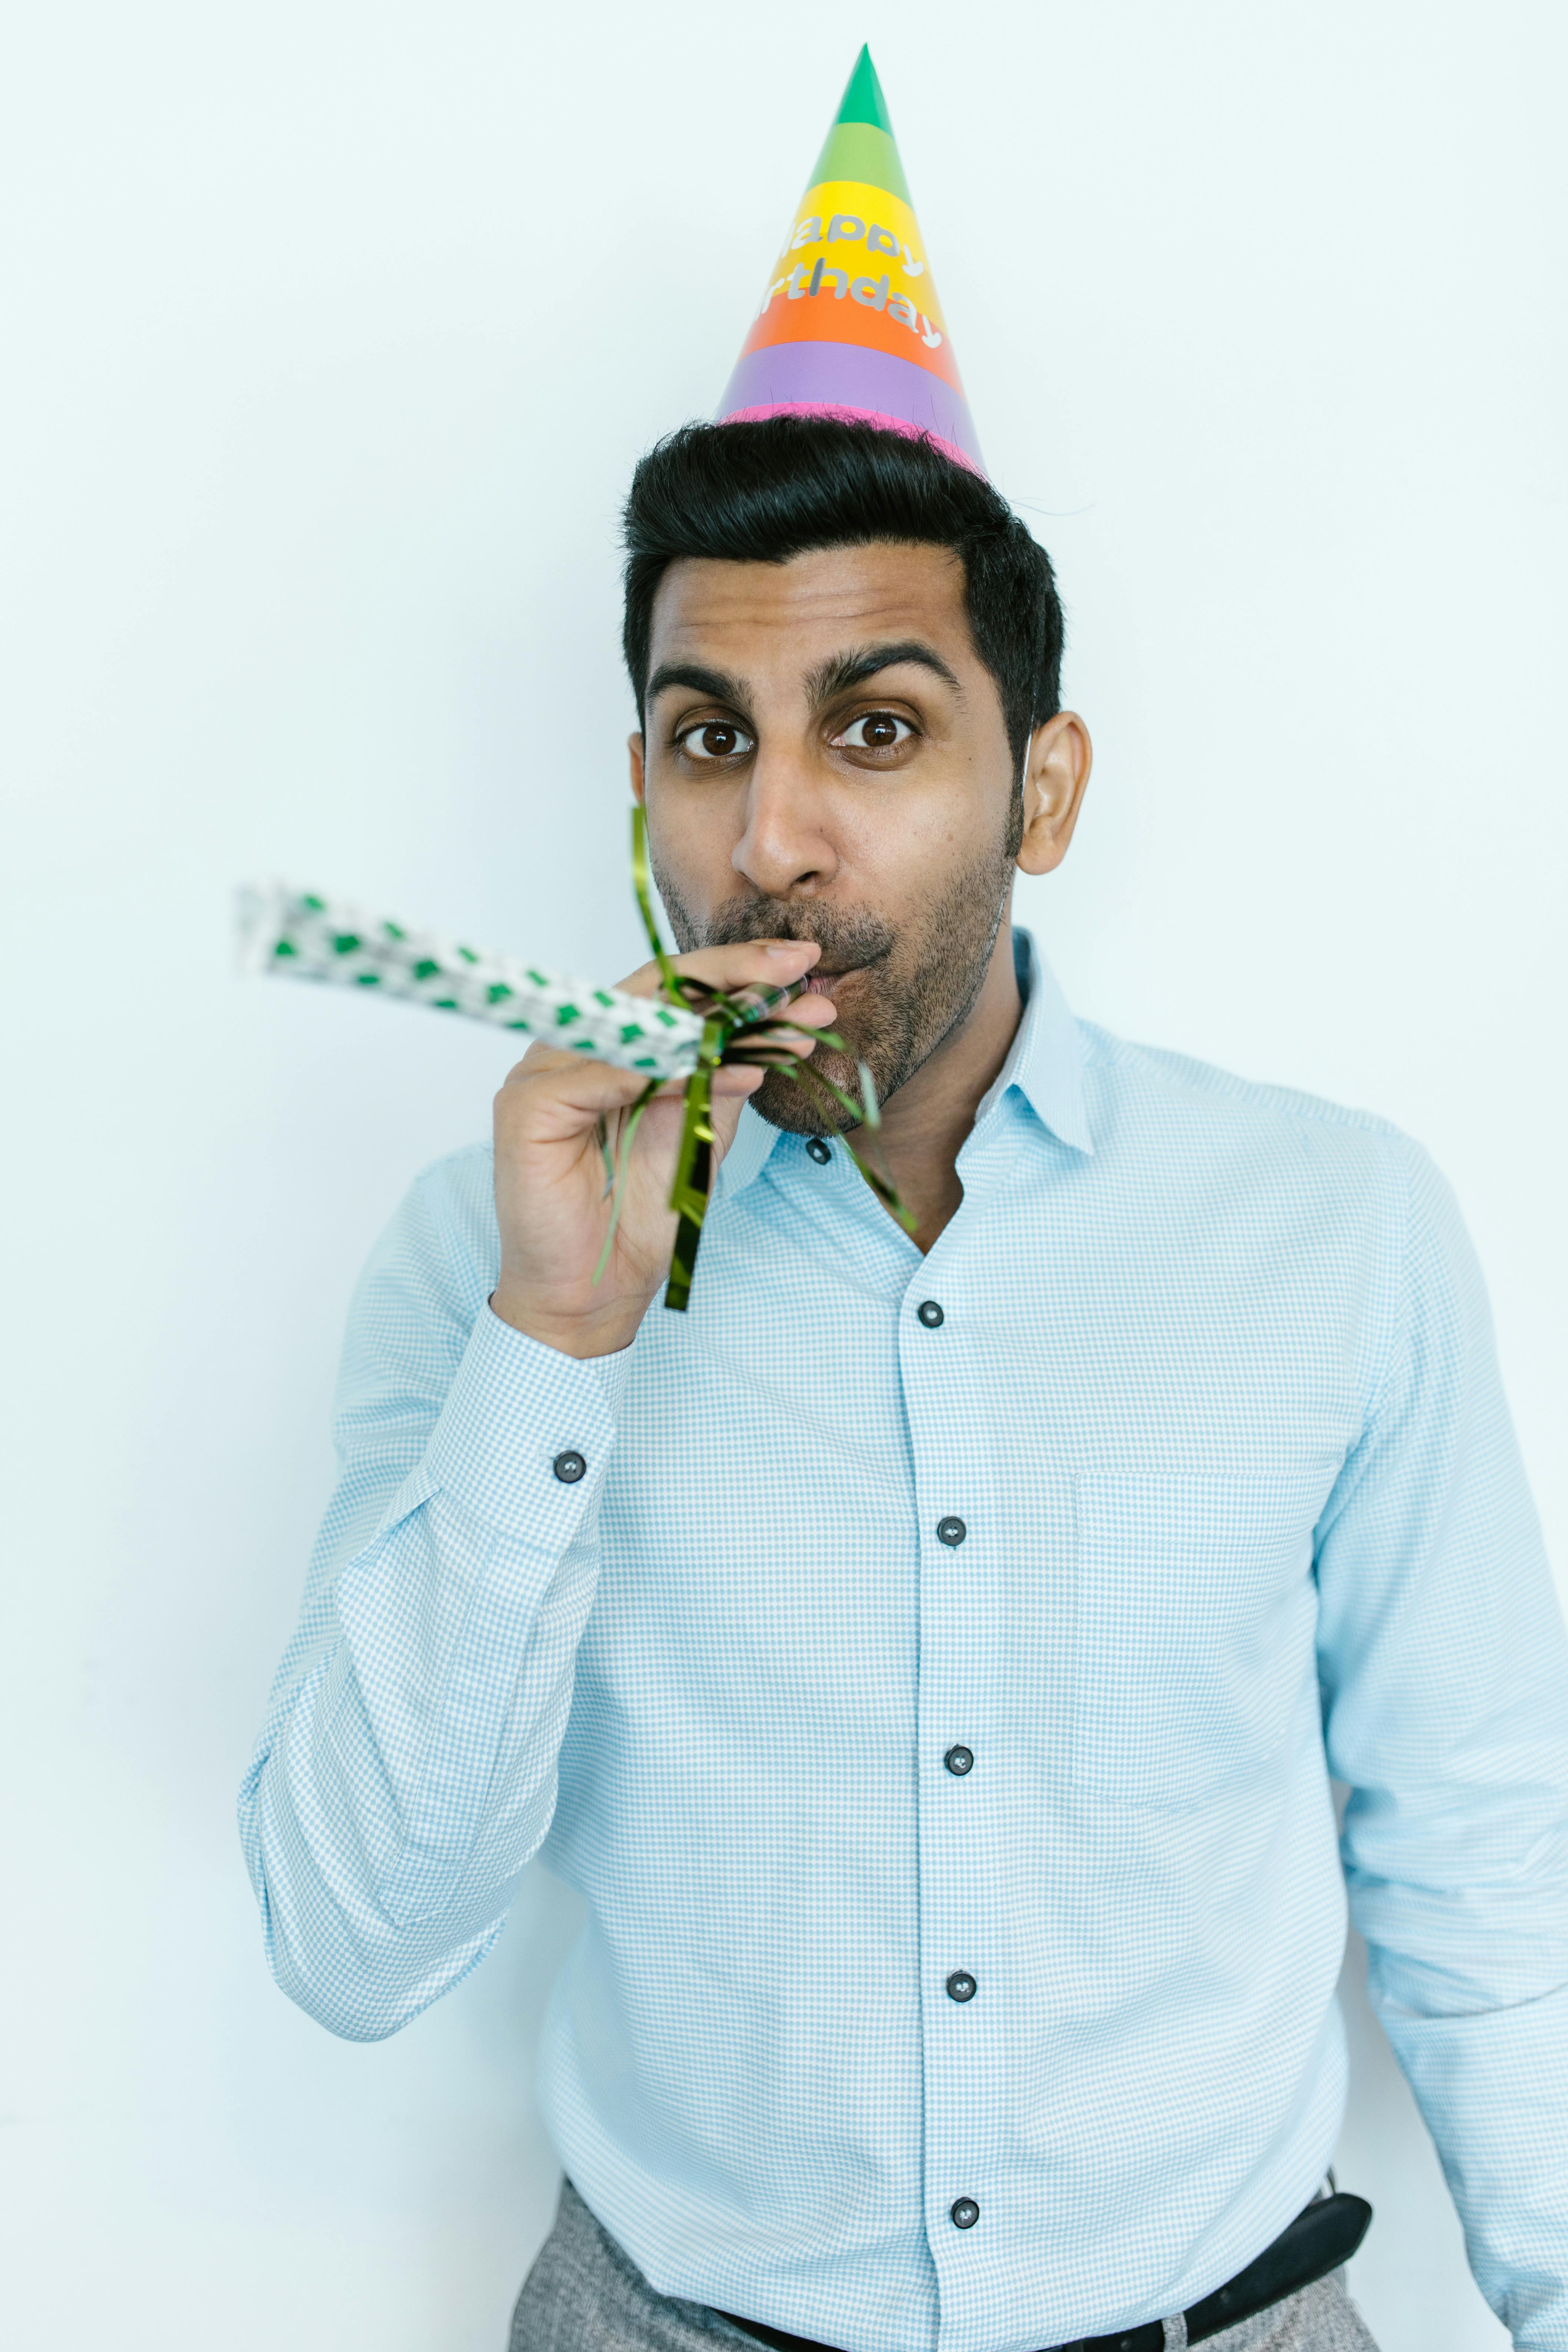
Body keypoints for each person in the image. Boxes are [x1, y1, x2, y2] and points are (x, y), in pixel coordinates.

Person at [238, 51, 1568, 2352]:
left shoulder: (1335, 1228)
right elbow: (357, 1949)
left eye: (876, 728)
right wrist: (559, 1350)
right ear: (639, 778)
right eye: (707, 736)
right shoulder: (488, 1259)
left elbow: (1491, 1871)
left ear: (1039, 786)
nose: (772, 842)